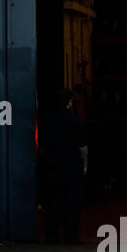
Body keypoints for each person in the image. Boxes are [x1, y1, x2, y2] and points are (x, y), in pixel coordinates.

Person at [38, 88, 88, 243]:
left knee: (54, 201)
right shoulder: (76, 121)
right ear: (69, 103)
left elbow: (42, 146)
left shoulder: (47, 121)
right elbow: (83, 148)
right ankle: (71, 236)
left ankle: (52, 235)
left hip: (53, 165)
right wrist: (84, 166)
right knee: (72, 203)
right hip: (72, 165)